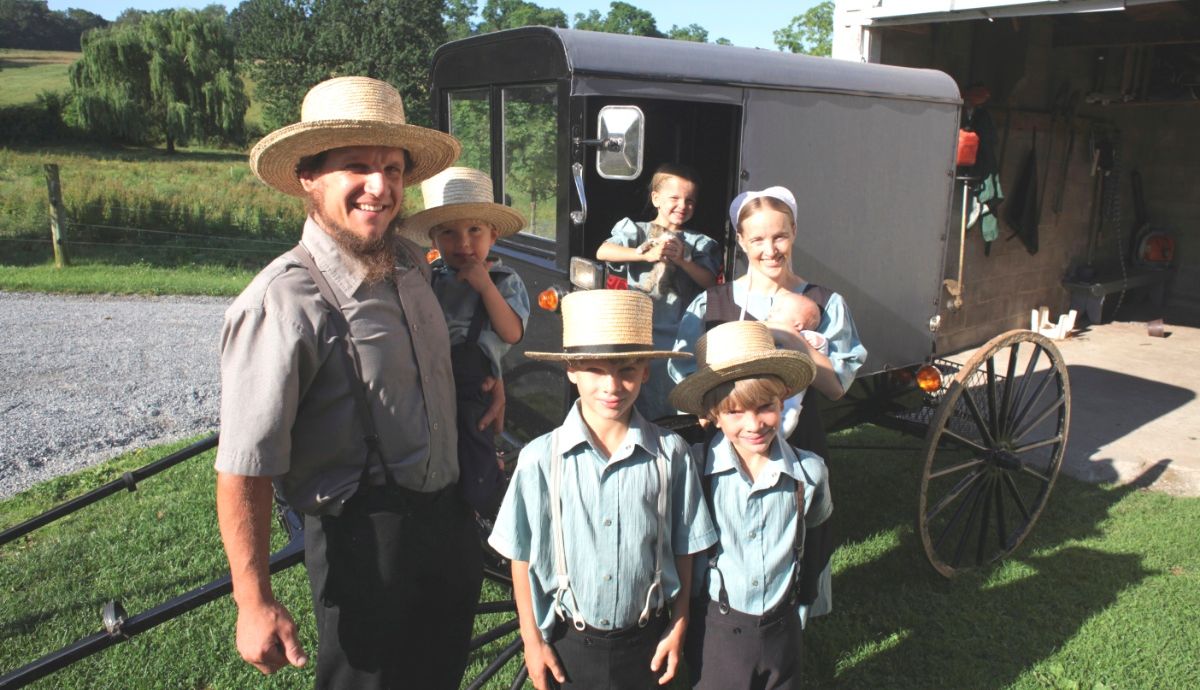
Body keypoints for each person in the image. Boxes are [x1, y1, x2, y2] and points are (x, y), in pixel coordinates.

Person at [214, 76, 497, 689]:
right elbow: (244, 467)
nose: (380, 187)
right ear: (310, 180)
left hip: (447, 525)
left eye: (393, 169)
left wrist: (488, 382)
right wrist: (252, 599)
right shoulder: (282, 301)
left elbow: (431, 365)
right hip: (363, 545)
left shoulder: (412, 268)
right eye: (356, 167)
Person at [488, 289, 716, 689]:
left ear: (646, 370)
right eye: (595, 370)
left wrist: (679, 625)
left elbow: (685, 548)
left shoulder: (671, 454)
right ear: (572, 369)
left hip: (646, 643)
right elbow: (520, 556)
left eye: (627, 369)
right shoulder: (541, 459)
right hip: (568, 647)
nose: (612, 386)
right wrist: (531, 640)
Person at [668, 320, 833, 690]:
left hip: (783, 629)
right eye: (735, 413)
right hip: (718, 631)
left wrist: (803, 599)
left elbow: (817, 530)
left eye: (764, 407)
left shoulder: (810, 473)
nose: (754, 424)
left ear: (783, 398)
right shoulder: (696, 471)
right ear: (712, 414)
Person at [670, 185, 867, 460]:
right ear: (740, 240)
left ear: (794, 232)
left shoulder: (823, 303)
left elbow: (835, 387)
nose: (770, 250)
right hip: (725, 449)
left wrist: (791, 337)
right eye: (758, 240)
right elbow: (685, 377)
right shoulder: (712, 304)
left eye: (780, 237)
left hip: (798, 446)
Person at [403, 166, 530, 516]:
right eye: (448, 233)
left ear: (493, 235)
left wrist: (484, 286)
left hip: (474, 379)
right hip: (431, 375)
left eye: (474, 230)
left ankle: (487, 505)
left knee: (475, 438)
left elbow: (511, 332)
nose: (462, 243)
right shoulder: (431, 278)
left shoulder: (504, 280)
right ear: (434, 240)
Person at [596, 163, 721, 421]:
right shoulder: (635, 230)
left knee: (677, 383)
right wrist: (643, 254)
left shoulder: (699, 242)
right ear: (656, 198)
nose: (682, 205)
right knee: (641, 384)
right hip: (640, 328)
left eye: (690, 201)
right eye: (674, 198)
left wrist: (684, 261)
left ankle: (678, 430)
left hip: (682, 330)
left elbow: (710, 282)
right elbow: (603, 251)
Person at [764, 291, 828, 438]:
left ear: (798, 325)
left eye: (778, 311)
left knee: (791, 409)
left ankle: (780, 435)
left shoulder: (807, 337)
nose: (770, 313)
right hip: (771, 383)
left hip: (793, 388)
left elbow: (820, 355)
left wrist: (820, 343)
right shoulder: (771, 333)